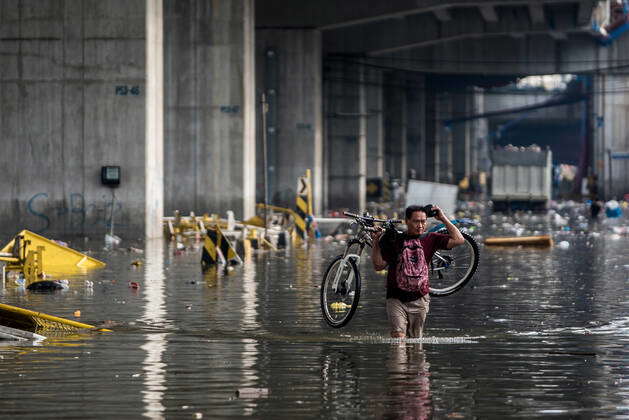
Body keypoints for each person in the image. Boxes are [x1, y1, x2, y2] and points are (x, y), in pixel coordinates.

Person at [370, 204, 465, 339]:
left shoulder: (430, 238)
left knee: (416, 343)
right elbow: (378, 265)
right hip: (395, 298)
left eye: (423, 221)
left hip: (420, 299)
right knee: (398, 338)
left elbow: (459, 240)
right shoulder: (395, 240)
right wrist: (375, 242)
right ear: (407, 221)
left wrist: (443, 218)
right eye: (416, 221)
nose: (420, 225)